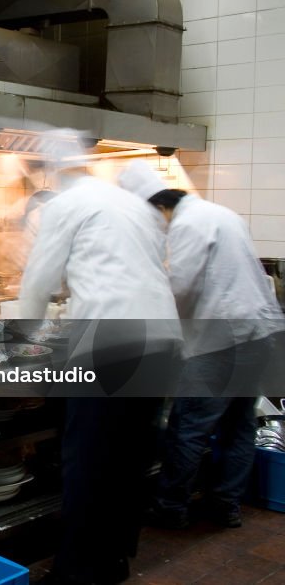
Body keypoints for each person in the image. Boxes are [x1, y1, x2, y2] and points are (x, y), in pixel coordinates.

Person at [20, 136, 182, 585]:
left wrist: (17, 341)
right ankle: (115, 559)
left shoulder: (63, 205)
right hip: (161, 340)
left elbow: (38, 282)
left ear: (52, 171)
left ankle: (76, 572)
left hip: (111, 345)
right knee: (129, 459)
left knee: (89, 461)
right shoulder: (134, 205)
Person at [119, 159, 285, 529]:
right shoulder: (220, 213)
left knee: (189, 425)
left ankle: (169, 508)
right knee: (238, 425)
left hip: (223, 341)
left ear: (159, 208)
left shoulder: (187, 224)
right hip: (258, 333)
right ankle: (225, 505)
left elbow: (182, 285)